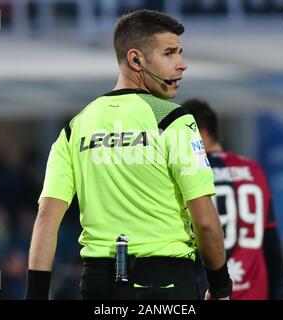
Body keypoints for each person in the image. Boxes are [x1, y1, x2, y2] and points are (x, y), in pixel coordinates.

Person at [26, 10, 231, 300]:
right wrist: (221, 287)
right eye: (169, 53)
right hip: (165, 285)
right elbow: (206, 222)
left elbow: (47, 217)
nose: (182, 65)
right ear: (136, 60)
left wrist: (35, 296)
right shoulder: (174, 121)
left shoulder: (75, 128)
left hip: (97, 285)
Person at [182, 99, 283, 300]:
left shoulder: (191, 173)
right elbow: (273, 247)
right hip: (255, 293)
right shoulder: (254, 171)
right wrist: (280, 292)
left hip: (210, 293)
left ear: (200, 134)